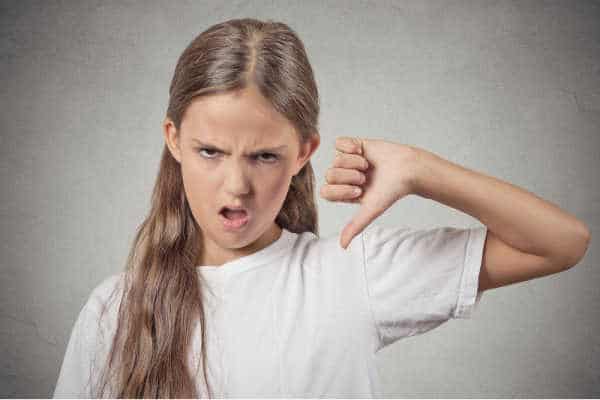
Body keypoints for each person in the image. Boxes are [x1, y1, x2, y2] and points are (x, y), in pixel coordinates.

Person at [52, 18, 591, 398]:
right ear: (173, 139)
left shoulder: (350, 273)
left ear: (304, 152)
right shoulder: (112, 312)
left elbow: (561, 242)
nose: (235, 186)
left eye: (264, 155)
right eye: (210, 152)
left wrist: (420, 170)